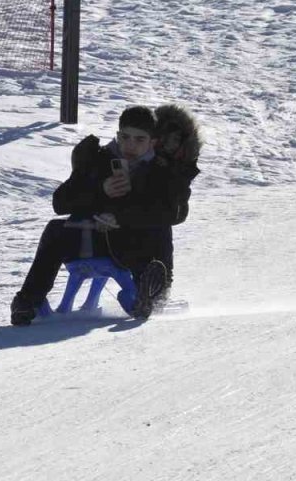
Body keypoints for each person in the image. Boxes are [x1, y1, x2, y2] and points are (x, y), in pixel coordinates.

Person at [10, 105, 200, 326]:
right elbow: (60, 202)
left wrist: (120, 218)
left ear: (153, 142)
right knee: (55, 229)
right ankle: (27, 301)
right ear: (118, 136)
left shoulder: (161, 171)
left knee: (160, 226)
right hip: (93, 239)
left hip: (134, 245)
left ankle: (151, 294)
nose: (131, 145)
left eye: (139, 140)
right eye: (126, 137)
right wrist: (100, 191)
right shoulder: (98, 160)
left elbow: (174, 213)